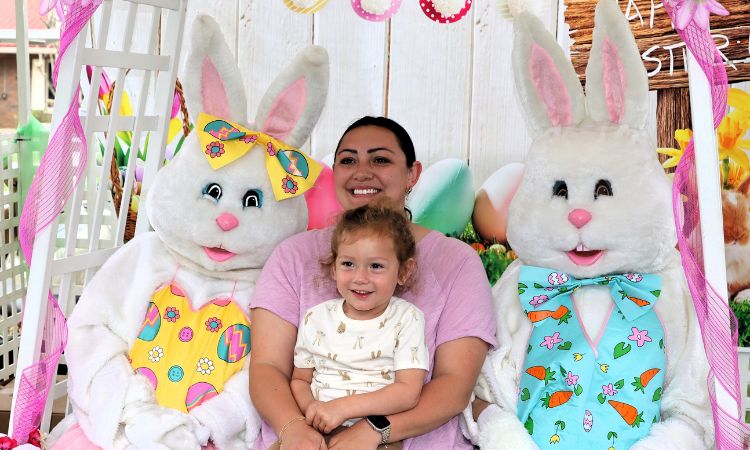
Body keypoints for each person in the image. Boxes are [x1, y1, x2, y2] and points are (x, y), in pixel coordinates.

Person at [249, 116, 496, 450]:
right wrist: (295, 428)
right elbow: (267, 367)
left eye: (380, 159)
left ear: (412, 174)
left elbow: (454, 385)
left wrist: (374, 430)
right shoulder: (294, 255)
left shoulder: (457, 263)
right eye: (348, 160)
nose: (361, 171)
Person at [268, 202, 428, 450]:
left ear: (403, 272)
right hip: (316, 428)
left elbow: (408, 391)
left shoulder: (407, 319)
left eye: (376, 266)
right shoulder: (316, 318)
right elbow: (300, 380)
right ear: (333, 268)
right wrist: (311, 409)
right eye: (348, 264)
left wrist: (342, 408)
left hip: (373, 434)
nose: (360, 278)